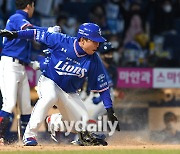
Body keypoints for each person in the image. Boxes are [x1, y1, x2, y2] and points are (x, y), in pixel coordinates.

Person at [0, 23, 120, 146]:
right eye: (94, 41)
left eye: (98, 41)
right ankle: (29, 135)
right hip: (49, 81)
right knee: (50, 97)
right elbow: (35, 33)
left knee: (81, 123)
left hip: (70, 92)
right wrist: (15, 34)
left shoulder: (94, 59)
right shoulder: (62, 41)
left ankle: (55, 121)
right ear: (83, 40)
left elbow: (103, 88)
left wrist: (110, 110)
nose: (97, 44)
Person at [0, 0, 59, 145]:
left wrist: (30, 62)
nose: (33, 8)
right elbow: (30, 31)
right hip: (9, 65)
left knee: (26, 106)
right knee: (9, 104)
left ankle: (26, 139)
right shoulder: (17, 18)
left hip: (20, 66)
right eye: (33, 5)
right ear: (29, 5)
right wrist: (47, 30)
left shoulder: (19, 19)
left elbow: (21, 42)